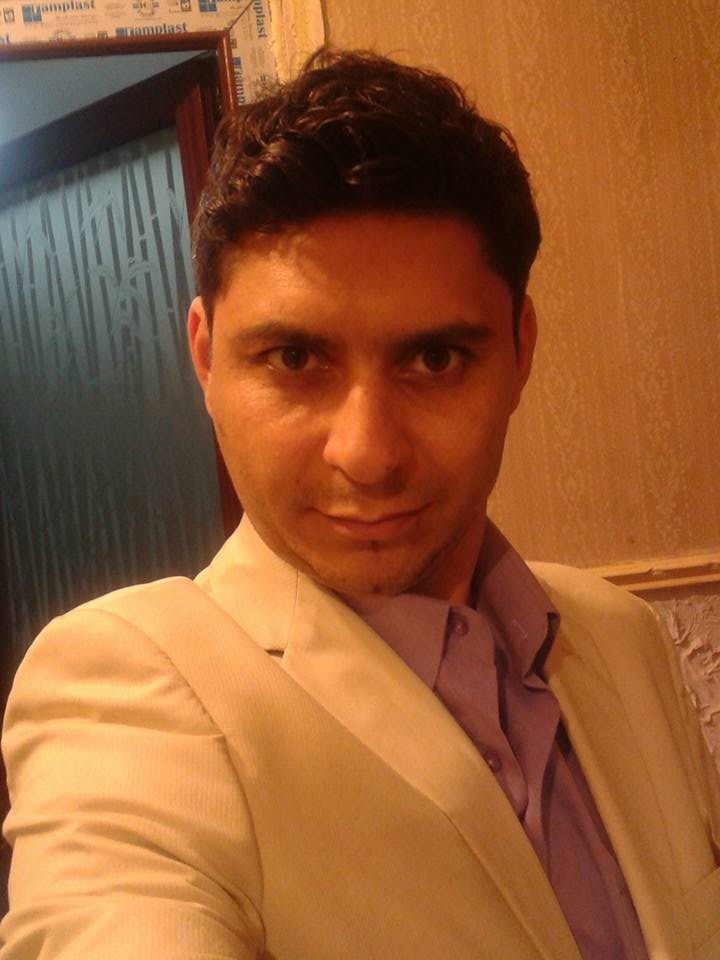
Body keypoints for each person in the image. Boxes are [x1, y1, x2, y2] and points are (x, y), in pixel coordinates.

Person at [1, 49, 719, 960]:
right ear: (206, 359)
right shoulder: (129, 693)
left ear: (520, 352)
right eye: (295, 359)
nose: (368, 453)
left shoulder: (621, 637)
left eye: (435, 359)